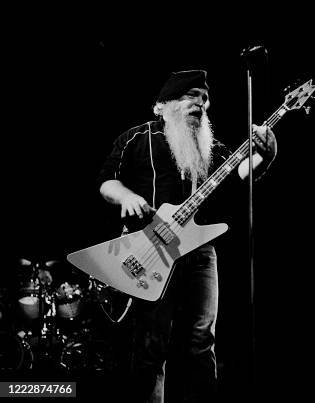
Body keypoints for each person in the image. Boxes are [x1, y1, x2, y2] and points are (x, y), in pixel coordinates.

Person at [97, 70, 277, 402]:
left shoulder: (211, 146)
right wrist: (127, 197)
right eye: (191, 95)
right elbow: (108, 180)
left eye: (205, 98)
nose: (201, 103)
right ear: (162, 106)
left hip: (200, 249)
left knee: (201, 339)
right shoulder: (138, 139)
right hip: (151, 248)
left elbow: (239, 175)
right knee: (152, 343)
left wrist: (264, 156)